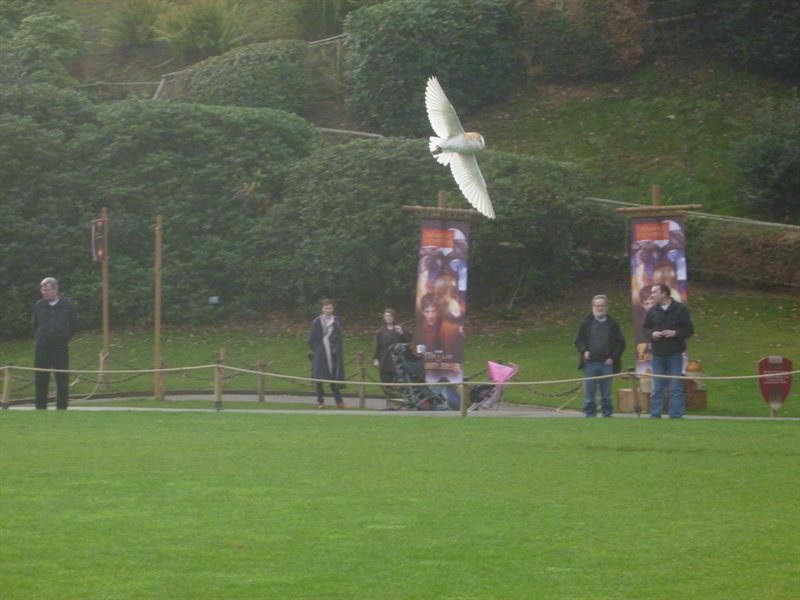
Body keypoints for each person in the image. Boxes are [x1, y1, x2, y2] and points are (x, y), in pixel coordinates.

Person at [643, 283, 694, 418]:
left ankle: (676, 415)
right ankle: (655, 414)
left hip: (675, 353)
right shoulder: (652, 311)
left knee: (675, 386)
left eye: (655, 292)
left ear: (664, 293)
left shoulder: (680, 309)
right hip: (657, 353)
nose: (652, 295)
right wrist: (652, 334)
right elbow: (646, 329)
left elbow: (689, 330)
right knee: (657, 386)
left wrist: (675, 333)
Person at [574, 294, 626, 418]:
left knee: (606, 393)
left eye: (602, 305)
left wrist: (613, 358)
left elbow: (621, 343)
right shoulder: (586, 322)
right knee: (589, 393)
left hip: (606, 364)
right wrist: (584, 351)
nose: (599, 308)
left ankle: (607, 414)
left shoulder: (613, 324)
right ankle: (589, 414)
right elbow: (578, 340)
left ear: (607, 307)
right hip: (589, 363)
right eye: (597, 306)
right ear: (593, 307)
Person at [32, 277, 77, 410]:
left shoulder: (67, 304)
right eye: (42, 289)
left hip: (60, 347)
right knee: (41, 378)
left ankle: (62, 407)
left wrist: (64, 338)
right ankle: (40, 407)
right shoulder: (38, 305)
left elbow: (73, 324)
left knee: (62, 378)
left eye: (47, 289)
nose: (44, 292)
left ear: (56, 289)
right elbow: (35, 324)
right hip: (42, 347)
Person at [308, 299, 346, 409]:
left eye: (329, 308)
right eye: (326, 308)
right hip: (321, 351)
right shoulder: (317, 321)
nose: (328, 310)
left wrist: (335, 347)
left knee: (333, 377)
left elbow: (338, 336)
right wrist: (317, 349)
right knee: (319, 378)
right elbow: (312, 338)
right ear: (322, 309)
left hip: (332, 352)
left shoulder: (336, 320)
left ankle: (339, 401)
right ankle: (320, 401)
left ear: (332, 308)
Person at [372, 308, 408, 399]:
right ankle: (390, 400)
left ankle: (403, 400)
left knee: (400, 381)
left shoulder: (399, 328)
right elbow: (377, 346)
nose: (388, 318)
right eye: (386, 316)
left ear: (393, 317)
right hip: (385, 358)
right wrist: (376, 359)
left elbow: (408, 341)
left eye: (390, 316)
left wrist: (401, 333)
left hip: (398, 359)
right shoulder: (380, 332)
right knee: (386, 381)